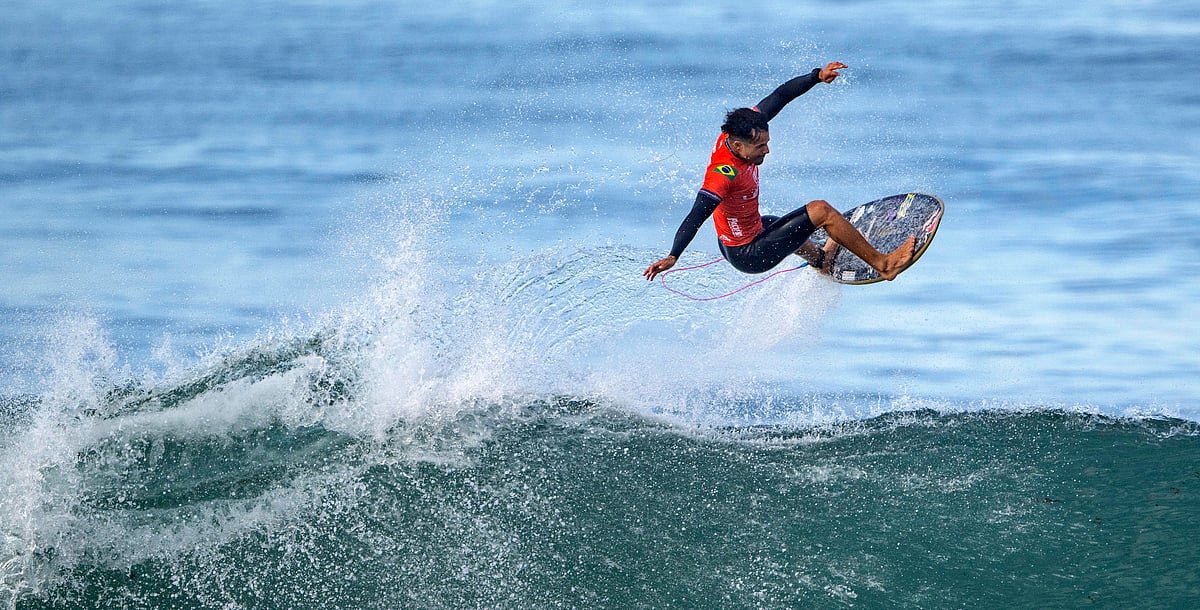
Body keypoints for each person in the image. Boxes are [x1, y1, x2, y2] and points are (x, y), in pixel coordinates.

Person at [643, 61, 916, 283]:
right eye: (760, 146)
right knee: (820, 211)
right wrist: (673, 256)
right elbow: (696, 215)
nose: (766, 151)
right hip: (748, 254)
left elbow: (781, 95)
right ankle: (885, 264)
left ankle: (821, 260)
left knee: (771, 221)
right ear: (738, 145)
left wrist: (817, 76)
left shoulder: (743, 127)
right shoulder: (723, 174)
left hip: (738, 239)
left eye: (767, 142)